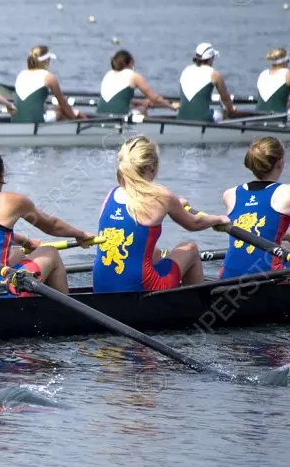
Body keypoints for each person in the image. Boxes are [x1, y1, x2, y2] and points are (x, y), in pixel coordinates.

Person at [0, 150, 95, 293]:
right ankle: (64, 314)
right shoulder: (11, 201)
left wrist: (25, 241)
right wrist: (80, 234)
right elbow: (52, 226)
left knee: (17, 253)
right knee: (50, 252)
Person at [93, 136, 228, 293]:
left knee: (155, 252)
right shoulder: (162, 196)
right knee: (190, 248)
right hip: (143, 287)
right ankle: (196, 309)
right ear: (152, 167)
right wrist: (218, 219)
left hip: (100, 286)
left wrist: (176, 204)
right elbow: (195, 223)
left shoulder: (111, 194)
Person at [220, 137, 290, 278]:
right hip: (269, 279)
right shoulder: (286, 192)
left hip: (227, 277)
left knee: (284, 243)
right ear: (279, 162)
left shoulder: (230, 194)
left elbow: (262, 231)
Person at [12, 45, 87, 123]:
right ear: (45, 61)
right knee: (74, 113)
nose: (50, 61)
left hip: (15, 120)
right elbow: (63, 104)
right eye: (49, 59)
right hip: (36, 121)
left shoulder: (21, 74)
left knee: (55, 110)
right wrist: (75, 117)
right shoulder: (49, 77)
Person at [97, 49, 179, 115]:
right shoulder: (134, 76)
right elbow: (155, 98)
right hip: (120, 114)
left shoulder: (108, 74)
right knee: (142, 109)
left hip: (100, 113)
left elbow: (117, 99)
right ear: (131, 61)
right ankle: (146, 134)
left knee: (140, 105)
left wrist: (140, 102)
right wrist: (171, 106)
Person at [176, 43, 239, 122]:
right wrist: (232, 111)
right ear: (210, 59)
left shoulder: (185, 70)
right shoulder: (215, 74)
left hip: (181, 117)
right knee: (222, 113)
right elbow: (226, 99)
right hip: (203, 119)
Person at [256, 47, 290, 114]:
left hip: (258, 116)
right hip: (278, 118)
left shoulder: (262, 74)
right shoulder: (288, 74)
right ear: (285, 62)